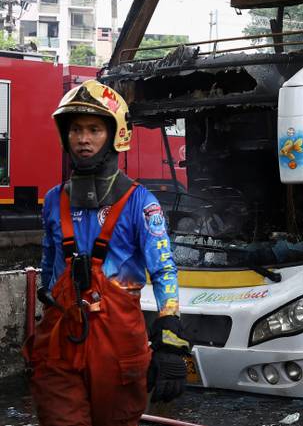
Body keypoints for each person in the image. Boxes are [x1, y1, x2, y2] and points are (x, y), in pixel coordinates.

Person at [24, 80, 190, 426]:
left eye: (94, 130)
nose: (83, 139)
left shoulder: (141, 203)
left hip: (118, 346)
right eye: (76, 130)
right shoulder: (54, 200)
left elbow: (164, 270)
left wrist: (170, 337)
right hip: (61, 341)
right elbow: (49, 262)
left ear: (116, 135)